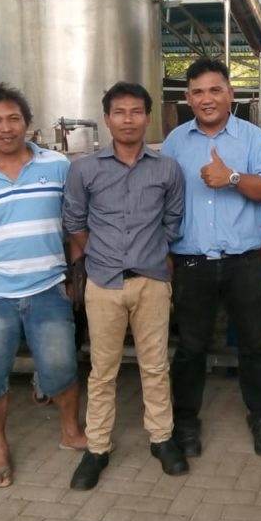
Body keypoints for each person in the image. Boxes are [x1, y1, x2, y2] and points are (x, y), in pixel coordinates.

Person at [0, 84, 87, 489]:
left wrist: (76, 273)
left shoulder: (58, 166)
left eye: (14, 119)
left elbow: (75, 224)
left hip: (48, 287)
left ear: (28, 124)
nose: (6, 127)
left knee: (61, 366)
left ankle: (70, 430)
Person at [63, 81, 188, 490]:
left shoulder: (167, 168)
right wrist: (100, 257)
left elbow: (173, 220)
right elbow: (75, 222)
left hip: (151, 282)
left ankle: (162, 438)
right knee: (103, 371)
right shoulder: (85, 169)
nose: (128, 119)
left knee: (155, 366)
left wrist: (153, 254)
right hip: (103, 284)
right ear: (107, 119)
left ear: (148, 117)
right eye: (119, 112)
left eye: (136, 111)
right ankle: (97, 447)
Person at [163, 57, 261, 458]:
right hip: (192, 262)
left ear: (231, 93)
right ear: (188, 98)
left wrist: (230, 177)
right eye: (198, 92)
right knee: (190, 347)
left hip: (242, 261)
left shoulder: (254, 139)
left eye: (215, 90)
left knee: (254, 344)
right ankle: (185, 421)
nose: (207, 99)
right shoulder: (175, 142)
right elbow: (163, 199)